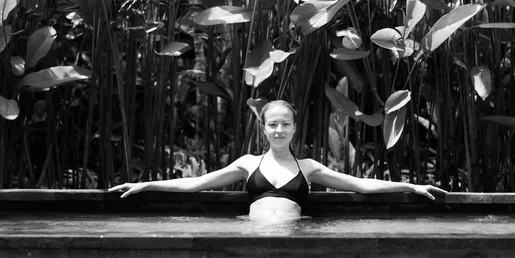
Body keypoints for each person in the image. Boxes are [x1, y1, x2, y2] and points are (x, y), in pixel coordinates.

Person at [109, 100, 447, 218]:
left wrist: (410, 186)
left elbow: (360, 185)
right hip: (252, 233)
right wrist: (145, 184)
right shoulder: (247, 164)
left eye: (286, 124)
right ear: (264, 129)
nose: (280, 130)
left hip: (295, 236)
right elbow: (195, 184)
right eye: (274, 124)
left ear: (294, 128)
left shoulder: (309, 167)